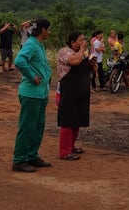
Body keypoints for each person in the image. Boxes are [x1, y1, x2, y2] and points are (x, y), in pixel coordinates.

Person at [11, 18, 53, 172]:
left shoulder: (38, 45)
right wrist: (32, 76)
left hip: (40, 93)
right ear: (42, 29)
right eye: (48, 29)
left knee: (37, 126)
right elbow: (19, 61)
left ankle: (32, 155)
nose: (49, 32)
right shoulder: (31, 44)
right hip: (31, 94)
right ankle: (20, 160)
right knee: (28, 127)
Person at [56, 32, 93, 160]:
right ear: (73, 42)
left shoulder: (82, 54)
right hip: (67, 92)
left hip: (80, 92)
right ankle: (64, 152)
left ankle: (71, 146)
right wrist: (83, 49)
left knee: (77, 120)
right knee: (67, 121)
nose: (84, 42)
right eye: (81, 40)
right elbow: (75, 61)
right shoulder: (65, 51)